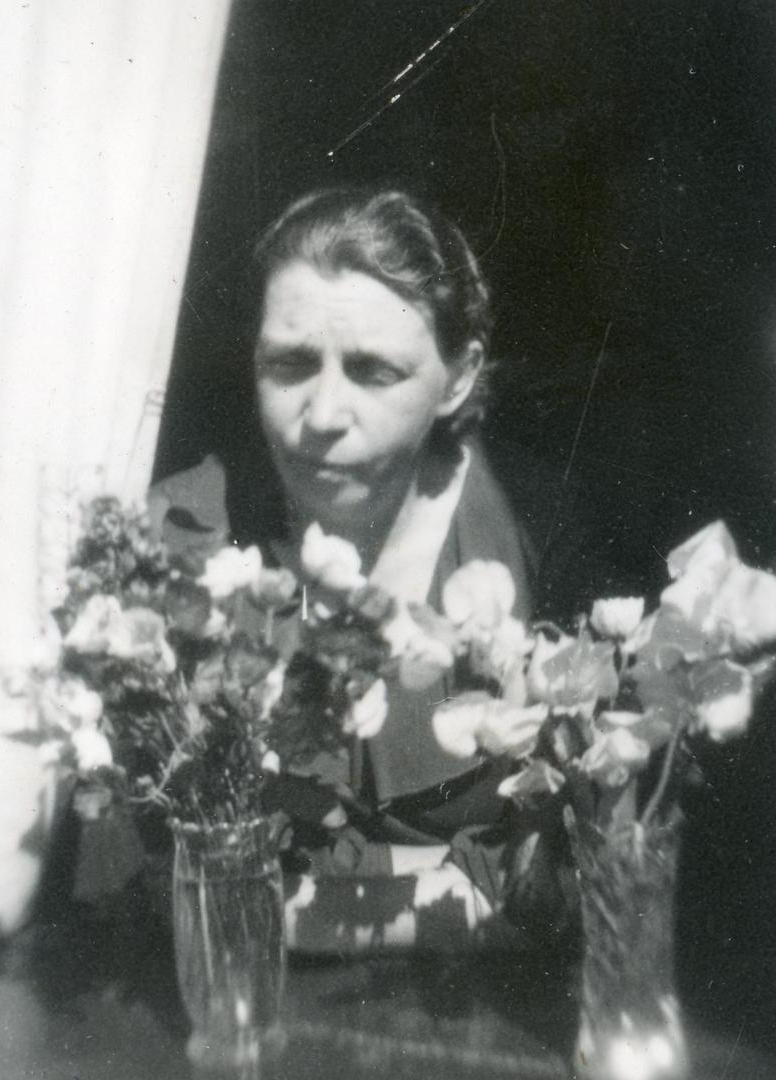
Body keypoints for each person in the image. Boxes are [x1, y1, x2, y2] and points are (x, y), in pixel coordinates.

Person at [148, 186, 604, 948]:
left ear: (458, 377)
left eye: (373, 371)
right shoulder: (185, 531)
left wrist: (271, 905)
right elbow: (145, 886)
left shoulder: (534, 523)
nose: (323, 415)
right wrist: (464, 890)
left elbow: (586, 877)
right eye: (290, 364)